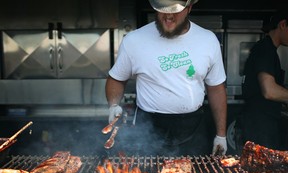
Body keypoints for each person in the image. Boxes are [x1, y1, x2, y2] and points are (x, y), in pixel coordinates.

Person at [105, 0, 227, 156]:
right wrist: (113, 105)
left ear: (189, 8)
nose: (168, 16)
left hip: (193, 127)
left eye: (175, 10)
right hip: (148, 126)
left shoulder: (208, 40)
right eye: (163, 9)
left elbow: (216, 88)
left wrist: (221, 135)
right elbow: (116, 79)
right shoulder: (134, 40)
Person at [237, 10, 288, 153]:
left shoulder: (267, 49)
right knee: (262, 171)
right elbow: (269, 91)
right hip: (259, 127)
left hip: (262, 124)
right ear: (283, 25)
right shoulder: (265, 50)